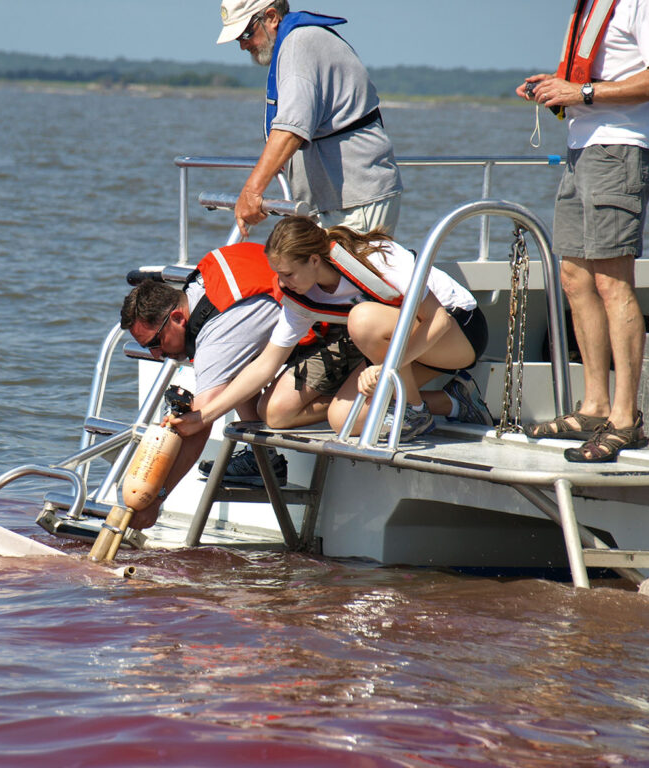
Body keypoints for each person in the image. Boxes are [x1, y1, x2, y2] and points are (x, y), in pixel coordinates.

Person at [169, 216, 492, 444]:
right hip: (396, 344)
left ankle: (413, 411)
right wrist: (204, 416)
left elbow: (439, 320)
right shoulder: (300, 296)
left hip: (455, 333)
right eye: (278, 274)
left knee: (362, 319)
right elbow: (266, 363)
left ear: (314, 260)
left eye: (288, 274)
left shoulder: (374, 258)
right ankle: (453, 401)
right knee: (310, 415)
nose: (282, 283)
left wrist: (387, 369)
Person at [518, 0, 649, 462]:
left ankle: (625, 419)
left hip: (621, 148)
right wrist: (555, 86)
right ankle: (595, 407)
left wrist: (581, 92)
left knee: (611, 281)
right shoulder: (587, 7)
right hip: (582, 147)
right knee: (575, 278)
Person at [120, 242, 289, 529]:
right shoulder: (200, 283)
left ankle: (266, 460)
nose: (156, 355)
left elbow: (198, 425)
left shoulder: (217, 335)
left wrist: (155, 500)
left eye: (155, 343)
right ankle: (263, 460)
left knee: (269, 409)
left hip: (334, 334)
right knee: (231, 371)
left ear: (177, 318)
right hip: (300, 312)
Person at [216, 0, 403, 237]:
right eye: (237, 39)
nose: (243, 45)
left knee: (341, 264)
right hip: (333, 203)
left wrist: (252, 192)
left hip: (354, 202)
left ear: (272, 17)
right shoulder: (296, 42)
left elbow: (291, 129)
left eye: (246, 33)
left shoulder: (298, 45)